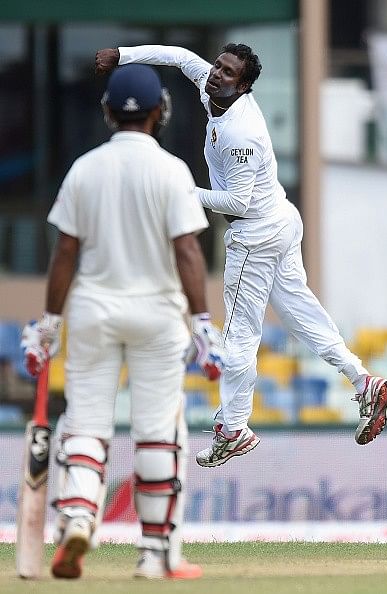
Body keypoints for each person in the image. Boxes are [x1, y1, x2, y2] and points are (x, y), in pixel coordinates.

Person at [95, 43, 387, 469]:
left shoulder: (241, 132)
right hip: (280, 220)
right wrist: (123, 55)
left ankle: (233, 428)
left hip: (255, 232)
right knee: (300, 315)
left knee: (239, 337)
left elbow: (235, 201)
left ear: (245, 85)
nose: (216, 74)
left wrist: (179, 188)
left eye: (228, 73)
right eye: (219, 65)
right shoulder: (211, 87)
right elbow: (180, 57)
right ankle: (363, 381)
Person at [20, 63, 225, 580]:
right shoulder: (172, 170)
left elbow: (65, 251)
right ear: (160, 112)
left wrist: (49, 321)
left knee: (86, 424)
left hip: (93, 310)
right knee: (158, 432)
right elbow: (188, 252)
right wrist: (202, 321)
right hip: (157, 315)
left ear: (108, 112)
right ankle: (155, 557)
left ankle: (77, 519)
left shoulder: (85, 168)